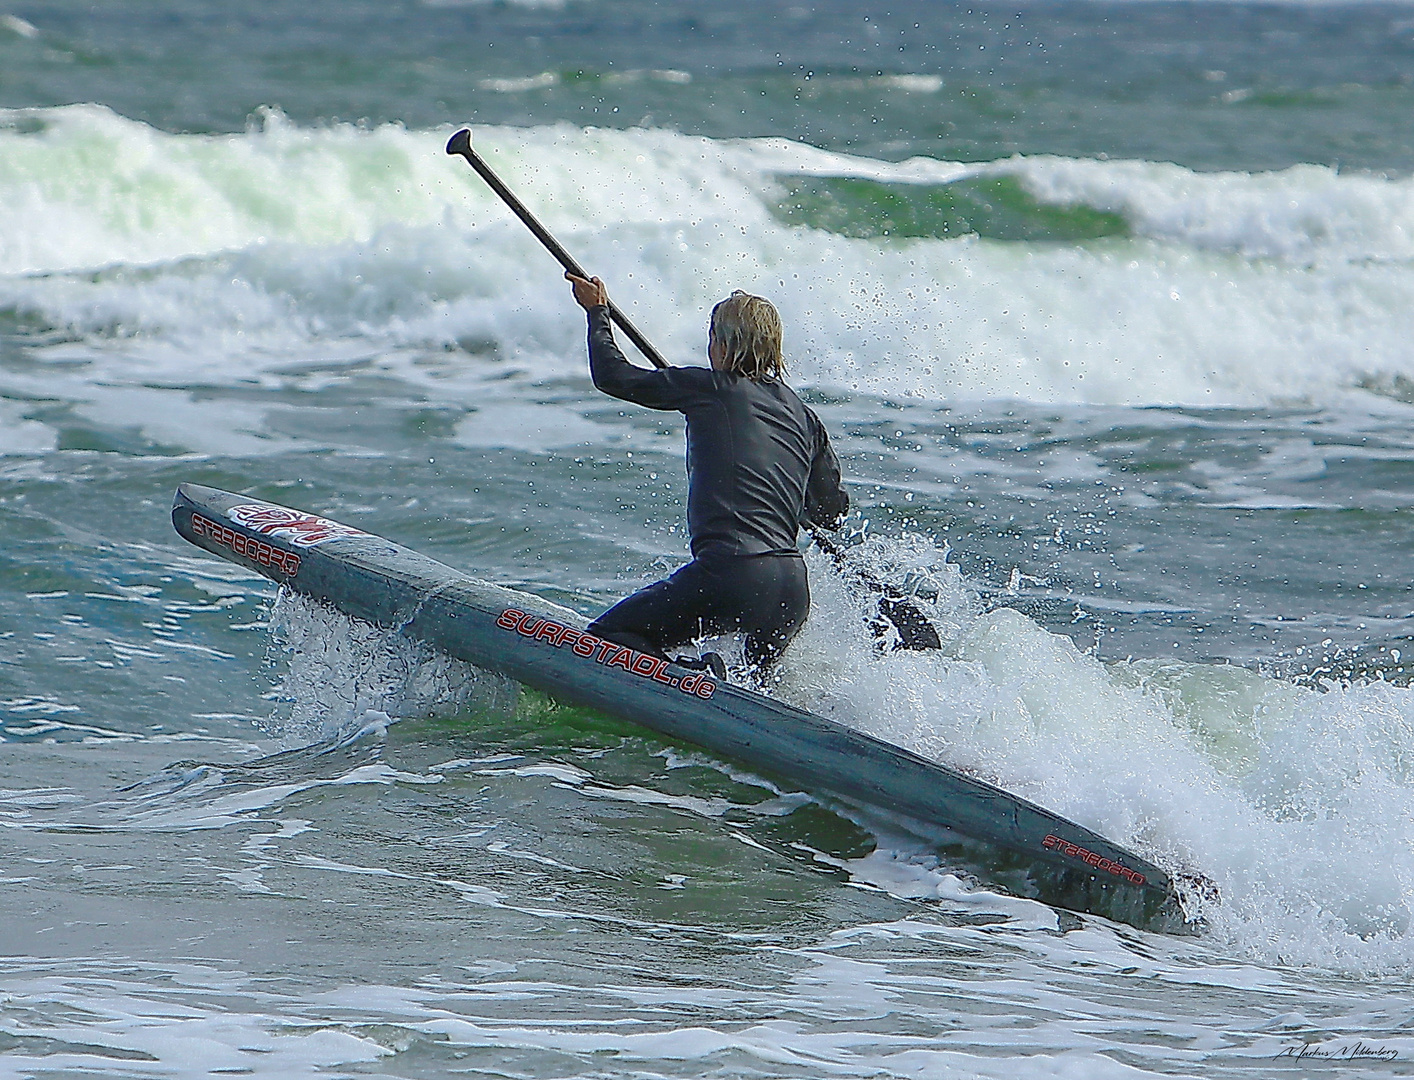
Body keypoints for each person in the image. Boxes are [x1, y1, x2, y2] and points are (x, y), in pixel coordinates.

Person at [567, 272, 848, 673]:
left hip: (733, 576)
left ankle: (695, 678)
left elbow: (612, 375)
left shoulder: (709, 388)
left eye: (713, 336)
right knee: (757, 689)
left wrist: (597, 312)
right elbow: (831, 514)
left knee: (612, 638)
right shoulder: (805, 417)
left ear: (725, 344)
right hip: (790, 589)